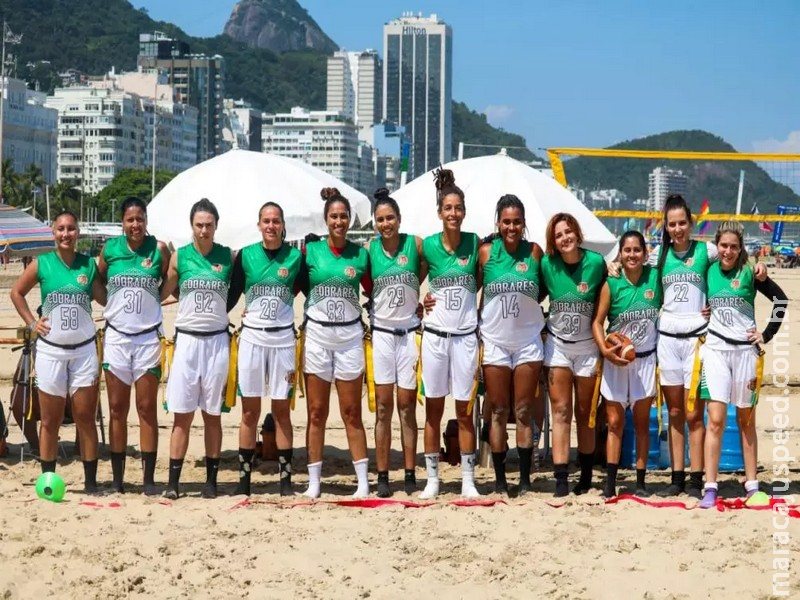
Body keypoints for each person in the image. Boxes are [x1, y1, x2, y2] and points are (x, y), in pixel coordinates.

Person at [619, 194, 767, 498]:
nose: (677, 229)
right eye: (672, 224)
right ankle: (677, 476)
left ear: (691, 223)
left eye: (682, 223)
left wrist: (759, 266)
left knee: (693, 414)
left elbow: (734, 257)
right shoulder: (659, 254)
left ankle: (698, 477)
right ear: (666, 226)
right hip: (668, 339)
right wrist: (612, 267)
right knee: (673, 411)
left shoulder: (706, 250)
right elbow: (630, 265)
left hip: (700, 340)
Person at [10, 210, 106, 492]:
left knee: (85, 418)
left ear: (78, 233)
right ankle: (48, 481)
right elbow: (16, 293)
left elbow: (104, 298)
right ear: (53, 232)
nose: (66, 234)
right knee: (49, 420)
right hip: (51, 350)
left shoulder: (88, 265)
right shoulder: (42, 264)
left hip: (84, 351)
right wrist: (31, 322)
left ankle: (90, 484)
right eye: (61, 229)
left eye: (71, 229)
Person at [698, 221, 787, 508]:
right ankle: (710, 487)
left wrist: (766, 334)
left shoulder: (750, 271)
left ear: (740, 248)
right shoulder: (708, 269)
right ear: (717, 246)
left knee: (746, 420)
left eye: (733, 246)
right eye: (723, 245)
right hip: (715, 351)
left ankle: (752, 486)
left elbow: (781, 301)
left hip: (746, 352)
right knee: (715, 419)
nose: (728, 251)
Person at [227, 201, 303, 497]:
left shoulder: (295, 257)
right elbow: (231, 296)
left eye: (276, 221)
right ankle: (244, 481)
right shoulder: (245, 256)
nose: (271, 226)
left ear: (283, 225)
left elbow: (310, 288)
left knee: (282, 411)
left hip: (283, 340)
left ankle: (285, 482)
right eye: (266, 221)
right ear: (258, 224)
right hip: (253, 340)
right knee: (249, 412)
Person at [160, 198, 233, 500]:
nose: (204, 230)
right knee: (182, 414)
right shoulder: (180, 257)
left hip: (217, 340)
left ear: (216, 226)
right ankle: (173, 483)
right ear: (191, 226)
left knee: (212, 414)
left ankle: (211, 482)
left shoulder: (228, 257)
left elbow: (242, 288)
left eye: (209, 225)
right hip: (187, 341)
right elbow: (162, 290)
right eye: (199, 225)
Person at [302, 187, 371, 499]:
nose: (339, 221)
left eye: (344, 216)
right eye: (333, 216)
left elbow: (376, 291)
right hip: (317, 336)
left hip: (349, 338)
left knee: (351, 411)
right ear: (325, 219)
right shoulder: (310, 250)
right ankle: (314, 483)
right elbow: (291, 283)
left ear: (350, 219)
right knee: (316, 412)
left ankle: (363, 483)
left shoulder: (362, 254)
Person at [98, 197, 170, 495]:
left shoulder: (159, 249)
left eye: (140, 219)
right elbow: (97, 280)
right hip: (116, 336)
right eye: (130, 219)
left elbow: (170, 279)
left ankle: (149, 479)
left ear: (146, 220)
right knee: (117, 408)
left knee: (146, 408)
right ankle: (117, 479)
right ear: (122, 223)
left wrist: (158, 298)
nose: (135, 224)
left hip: (147, 338)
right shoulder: (110, 249)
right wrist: (110, 304)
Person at [419, 168, 481, 499]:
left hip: (466, 337)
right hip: (435, 337)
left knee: (465, 411)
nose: (453, 214)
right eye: (448, 208)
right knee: (432, 409)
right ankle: (433, 480)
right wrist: (420, 302)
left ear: (464, 212)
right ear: (440, 212)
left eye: (458, 208)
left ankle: (468, 479)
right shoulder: (427, 246)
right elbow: (408, 281)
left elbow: (485, 281)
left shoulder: (475, 243)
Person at [479, 195, 545, 495]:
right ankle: (501, 481)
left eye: (517, 222)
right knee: (497, 409)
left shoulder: (534, 252)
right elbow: (466, 286)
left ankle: (526, 481)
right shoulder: (485, 252)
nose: (512, 227)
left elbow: (546, 288)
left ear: (524, 224)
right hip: (495, 340)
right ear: (498, 223)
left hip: (528, 341)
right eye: (506, 221)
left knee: (522, 410)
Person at [540, 213, 607, 496]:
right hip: (558, 346)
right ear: (553, 242)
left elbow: (611, 293)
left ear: (577, 233)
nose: (565, 238)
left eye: (568, 232)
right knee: (561, 411)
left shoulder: (595, 263)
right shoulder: (547, 264)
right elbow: (530, 293)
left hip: (588, 347)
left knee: (585, 413)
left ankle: (587, 475)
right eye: (558, 235)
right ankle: (561, 479)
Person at [592, 230, 662, 498]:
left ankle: (641, 482)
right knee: (614, 422)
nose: (632, 255)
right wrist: (605, 350)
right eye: (627, 250)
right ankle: (610, 483)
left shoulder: (655, 279)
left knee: (642, 423)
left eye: (637, 250)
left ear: (645, 254)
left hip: (644, 359)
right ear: (620, 254)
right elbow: (598, 322)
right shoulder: (612, 282)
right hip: (617, 360)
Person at [366, 188, 426, 498]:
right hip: (382, 335)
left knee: (406, 407)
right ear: (375, 223)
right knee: (383, 408)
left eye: (390, 218)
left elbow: (429, 272)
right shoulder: (369, 250)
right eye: (380, 219)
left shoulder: (415, 245)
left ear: (399, 219)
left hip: (409, 334)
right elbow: (363, 285)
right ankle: (383, 475)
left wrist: (421, 302)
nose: (386, 223)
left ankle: (410, 472)